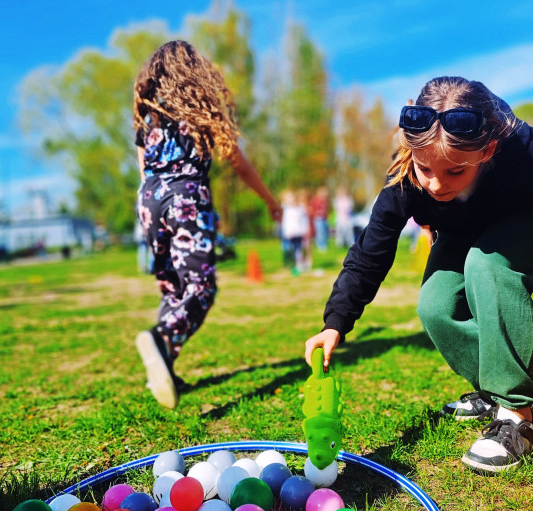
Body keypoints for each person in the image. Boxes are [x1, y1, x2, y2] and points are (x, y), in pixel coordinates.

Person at [305, 76, 533, 474]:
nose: (435, 184)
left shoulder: (520, 150)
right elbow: (370, 253)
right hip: (463, 231)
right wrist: (335, 322)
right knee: (435, 305)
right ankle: (491, 389)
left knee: (487, 264)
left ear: (487, 150)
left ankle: (520, 415)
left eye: (455, 172)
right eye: (426, 168)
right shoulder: (406, 180)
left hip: (520, 221)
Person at [133, 40, 282, 410]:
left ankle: (165, 363)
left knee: (174, 287)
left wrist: (150, 209)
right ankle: (161, 337)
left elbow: (143, 172)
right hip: (186, 198)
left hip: (149, 201)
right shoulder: (202, 112)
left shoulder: (148, 117)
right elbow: (239, 163)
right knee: (201, 288)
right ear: (194, 75)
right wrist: (270, 200)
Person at [310, 186, 330, 251]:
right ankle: (320, 245)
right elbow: (312, 208)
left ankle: (324, 244)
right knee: (319, 232)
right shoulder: (316, 200)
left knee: (324, 232)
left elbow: (326, 210)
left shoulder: (325, 201)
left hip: (324, 219)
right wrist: (315, 214)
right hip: (318, 218)